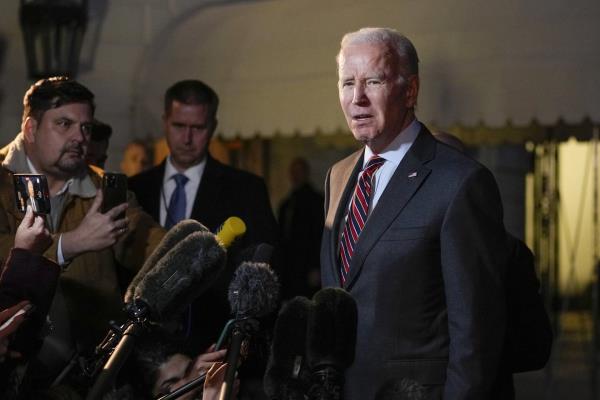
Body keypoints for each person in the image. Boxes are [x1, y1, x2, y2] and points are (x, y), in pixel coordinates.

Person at [320, 28, 509, 399]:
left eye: (373, 81)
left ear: (410, 90)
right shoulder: (338, 176)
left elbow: (475, 330)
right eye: (347, 83)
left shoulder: (460, 181)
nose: (356, 98)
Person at [0, 76, 165, 389]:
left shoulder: (103, 187)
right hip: (14, 369)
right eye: (65, 123)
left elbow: (145, 239)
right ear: (31, 129)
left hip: (94, 370)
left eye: (85, 127)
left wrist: (191, 252)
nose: (79, 137)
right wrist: (70, 244)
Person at [128, 79, 278, 353]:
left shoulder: (246, 189)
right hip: (142, 345)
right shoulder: (136, 189)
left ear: (213, 127)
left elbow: (261, 271)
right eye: (179, 126)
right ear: (165, 122)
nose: (187, 138)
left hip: (212, 343)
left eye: (197, 128)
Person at [277, 157, 324, 298]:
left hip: (307, 266)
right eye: (293, 172)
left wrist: (316, 266)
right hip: (290, 266)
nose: (295, 176)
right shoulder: (286, 204)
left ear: (306, 173)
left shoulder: (316, 201)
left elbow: (320, 234)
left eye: (299, 172)